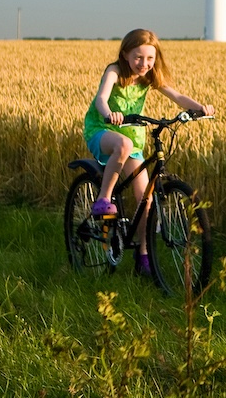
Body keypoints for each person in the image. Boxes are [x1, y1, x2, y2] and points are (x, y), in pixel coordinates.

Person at [85, 30, 213, 276]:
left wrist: (200, 108)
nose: (144, 64)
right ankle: (103, 198)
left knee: (146, 200)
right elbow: (102, 97)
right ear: (125, 54)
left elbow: (176, 95)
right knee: (122, 145)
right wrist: (107, 113)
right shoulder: (114, 71)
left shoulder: (149, 77)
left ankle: (144, 256)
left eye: (150, 58)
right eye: (138, 57)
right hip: (102, 129)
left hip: (133, 138)